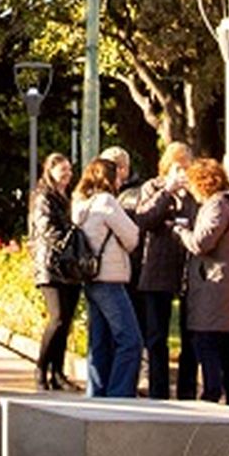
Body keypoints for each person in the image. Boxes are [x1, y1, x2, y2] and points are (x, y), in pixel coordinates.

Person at [173, 157, 229, 405]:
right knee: (227, 344)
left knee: (206, 339)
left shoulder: (216, 206)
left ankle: (211, 392)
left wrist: (181, 231)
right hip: (228, 283)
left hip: (215, 285)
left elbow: (201, 243)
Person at [71, 155, 143, 397]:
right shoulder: (107, 201)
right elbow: (132, 237)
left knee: (98, 342)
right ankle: (120, 394)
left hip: (89, 278)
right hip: (109, 279)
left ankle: (96, 394)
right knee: (131, 340)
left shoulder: (81, 203)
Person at [129, 142, 195, 399]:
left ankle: (187, 391)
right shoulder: (153, 188)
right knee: (157, 336)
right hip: (157, 269)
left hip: (188, 269)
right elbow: (143, 219)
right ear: (167, 167)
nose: (182, 173)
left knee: (191, 335)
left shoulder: (192, 193)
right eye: (178, 167)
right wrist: (167, 192)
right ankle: (159, 391)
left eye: (186, 168)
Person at [28, 152, 80, 390]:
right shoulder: (43, 197)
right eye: (62, 170)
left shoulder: (67, 197)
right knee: (57, 318)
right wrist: (70, 241)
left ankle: (57, 372)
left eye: (69, 170)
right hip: (50, 265)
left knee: (66, 320)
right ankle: (41, 367)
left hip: (69, 267)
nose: (67, 174)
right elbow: (46, 228)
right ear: (50, 170)